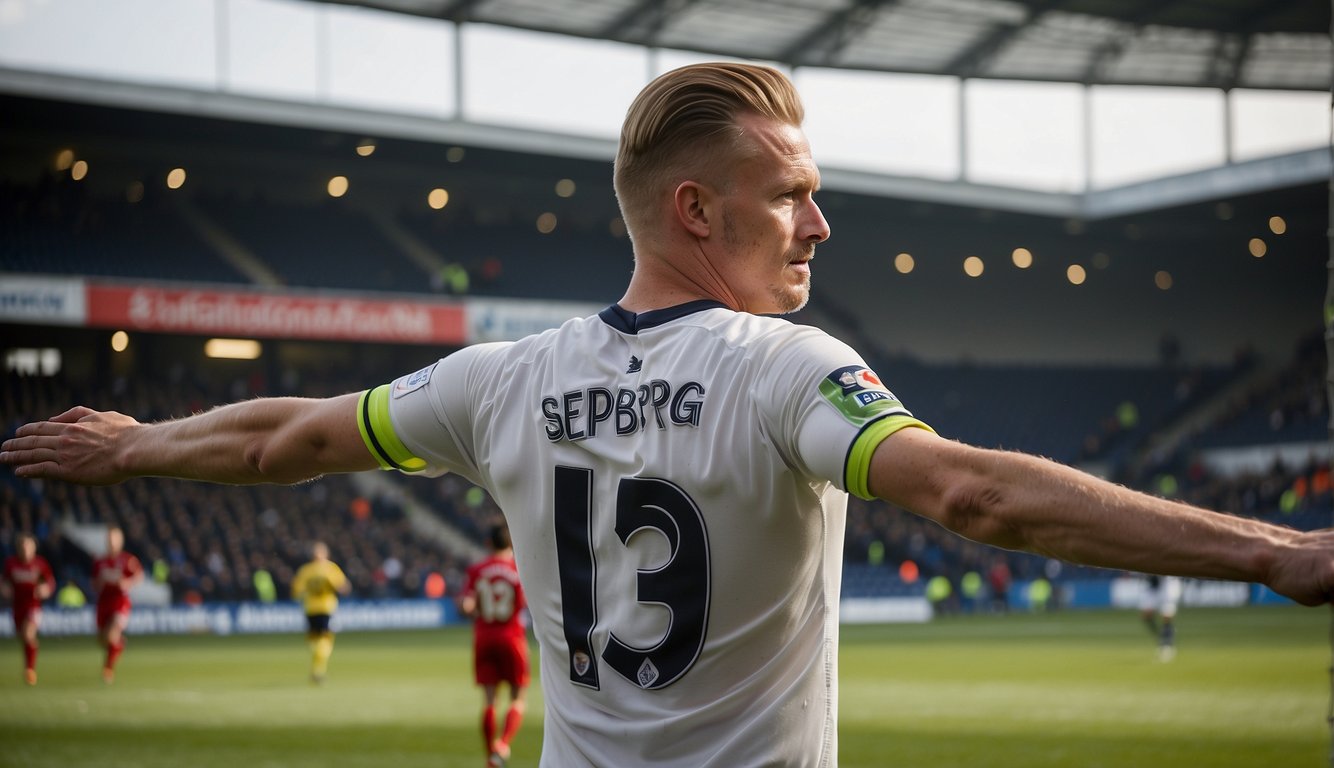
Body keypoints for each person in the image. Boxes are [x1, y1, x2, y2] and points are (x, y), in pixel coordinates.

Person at [2, 62, 1333, 766]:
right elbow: (972, 494)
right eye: (789, 194)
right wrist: (1271, 551)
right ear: (695, 211)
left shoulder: (494, 379)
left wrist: (132, 448)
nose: (819, 221)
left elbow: (280, 441)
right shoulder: (786, 368)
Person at [459, 521, 530, 768]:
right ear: (510, 543)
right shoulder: (518, 569)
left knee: (490, 700)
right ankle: (503, 744)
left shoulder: (477, 570)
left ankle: (490, 754)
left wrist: (469, 607)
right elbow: (527, 603)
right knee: (518, 697)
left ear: (488, 543)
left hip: (484, 637)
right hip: (512, 637)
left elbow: (466, 605)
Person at [291, 540, 350, 684]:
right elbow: (344, 587)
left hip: (310, 607)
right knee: (325, 639)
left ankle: (317, 666)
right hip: (326, 607)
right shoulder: (330, 568)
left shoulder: (305, 570)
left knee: (313, 639)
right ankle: (318, 669)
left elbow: (296, 592)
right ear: (325, 554)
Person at [1, 533, 55, 685]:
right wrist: (5, 589)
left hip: (33, 606)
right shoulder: (11, 564)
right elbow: (4, 581)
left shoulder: (40, 564)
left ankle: (30, 670)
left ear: (34, 548)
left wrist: (45, 589)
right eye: (23, 546)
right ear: (18, 548)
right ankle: (30, 661)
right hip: (17, 606)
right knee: (23, 636)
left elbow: (50, 583)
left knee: (27, 633)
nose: (26, 550)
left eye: (28, 546)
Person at [92, 525, 143, 684]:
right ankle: (119, 645)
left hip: (120, 602)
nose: (112, 542)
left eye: (115, 538)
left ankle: (108, 668)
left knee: (111, 633)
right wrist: (99, 583)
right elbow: (94, 583)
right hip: (104, 602)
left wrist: (127, 583)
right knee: (102, 640)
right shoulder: (100, 562)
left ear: (120, 541)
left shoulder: (128, 560)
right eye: (110, 538)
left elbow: (139, 576)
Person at [1140, 573, 1183, 662]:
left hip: (1168, 582)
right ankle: (1162, 637)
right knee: (1146, 615)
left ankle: (1167, 645)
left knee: (1167, 615)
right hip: (1153, 583)